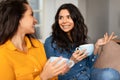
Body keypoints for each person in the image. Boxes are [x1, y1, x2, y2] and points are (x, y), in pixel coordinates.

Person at [44, 3, 119, 80]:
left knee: (111, 74)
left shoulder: (79, 37)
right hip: (71, 78)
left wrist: (97, 46)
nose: (64, 21)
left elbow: (89, 64)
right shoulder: (50, 42)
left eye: (68, 17)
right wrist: (71, 61)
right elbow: (55, 75)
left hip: (88, 74)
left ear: (75, 19)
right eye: (61, 18)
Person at [0, 0, 67, 80]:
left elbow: (51, 77)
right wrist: (43, 77)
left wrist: (56, 71)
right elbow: (45, 76)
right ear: (18, 18)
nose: (35, 20)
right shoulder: (3, 55)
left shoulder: (37, 45)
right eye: (31, 15)